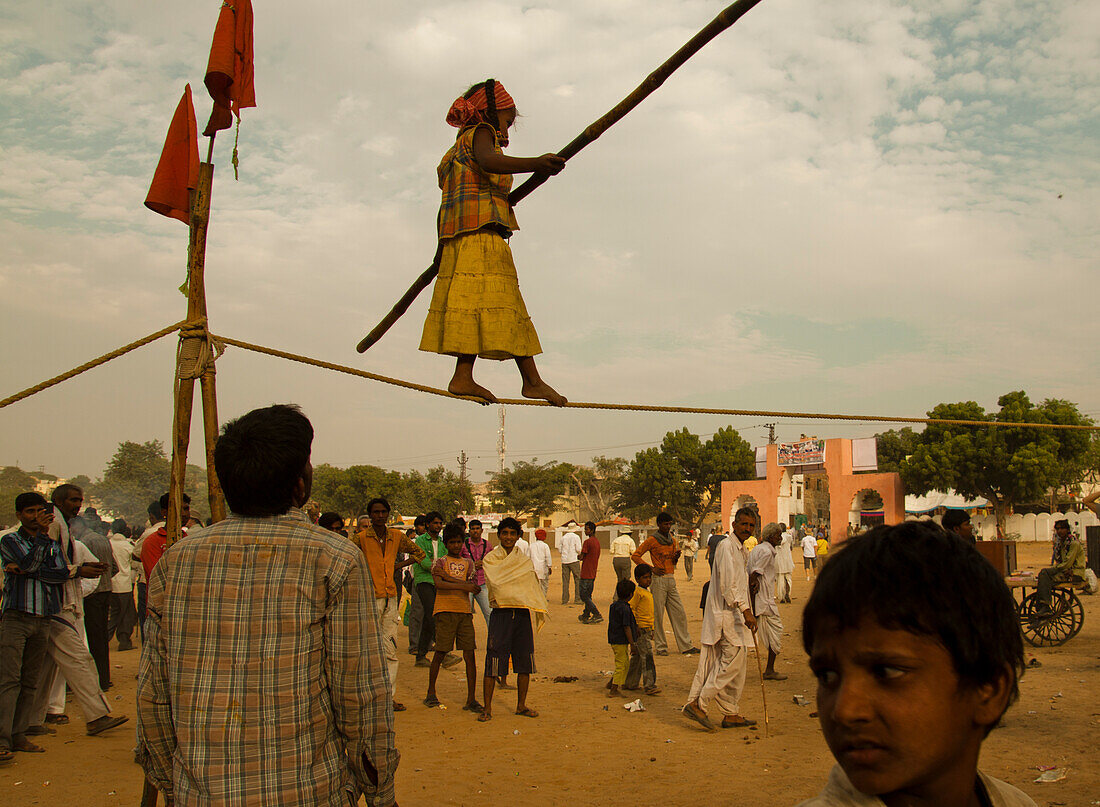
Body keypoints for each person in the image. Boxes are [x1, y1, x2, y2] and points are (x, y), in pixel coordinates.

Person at [136, 404, 398, 807]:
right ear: (299, 485)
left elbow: (154, 693)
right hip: (307, 790)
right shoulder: (335, 557)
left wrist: (173, 785)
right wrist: (379, 791)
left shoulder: (177, 560)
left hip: (200, 791)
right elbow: (359, 693)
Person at [795, 521, 1033, 807]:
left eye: (888, 672)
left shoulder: (1016, 802)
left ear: (989, 689)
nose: (844, 711)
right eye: (827, 676)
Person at [419, 78, 567, 406]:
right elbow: (489, 162)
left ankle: (463, 376)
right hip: (482, 236)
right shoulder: (481, 133)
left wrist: (440, 252)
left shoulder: (455, 151)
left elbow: (455, 200)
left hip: (458, 240)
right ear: (491, 112)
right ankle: (532, 381)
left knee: (474, 307)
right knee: (506, 305)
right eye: (507, 120)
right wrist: (534, 164)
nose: (507, 130)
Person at [30, 483, 126, 738]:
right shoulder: (52, 522)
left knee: (47, 668)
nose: (78, 505)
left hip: (57, 603)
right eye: (74, 500)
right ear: (59, 500)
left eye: (80, 501)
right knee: (79, 659)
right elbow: (44, 564)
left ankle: (31, 720)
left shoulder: (62, 524)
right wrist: (78, 570)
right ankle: (96, 715)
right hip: (53, 605)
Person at [0, 493, 71, 761]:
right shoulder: (10, 540)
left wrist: (29, 569)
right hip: (16, 618)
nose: (35, 516)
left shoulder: (51, 543)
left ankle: (18, 735)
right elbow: (31, 564)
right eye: (29, 512)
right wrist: (38, 549)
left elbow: (61, 574)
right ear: (19, 515)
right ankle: (3, 738)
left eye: (39, 511)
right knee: (8, 681)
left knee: (30, 681)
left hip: (43, 619)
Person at [683, 505, 757, 732]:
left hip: (735, 616)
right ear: (734, 525)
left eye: (751, 525)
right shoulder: (726, 547)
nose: (747, 528)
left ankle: (730, 713)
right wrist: (745, 610)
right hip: (728, 615)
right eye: (743, 524)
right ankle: (699, 704)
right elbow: (727, 586)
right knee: (730, 664)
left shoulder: (741, 549)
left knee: (736, 665)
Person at [353, 498, 426, 713]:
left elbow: (418, 554)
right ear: (370, 514)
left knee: (390, 649)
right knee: (367, 650)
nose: (380, 516)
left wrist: (398, 565)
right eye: (376, 512)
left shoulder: (396, 537)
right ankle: (367, 696)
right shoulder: (360, 539)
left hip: (391, 598)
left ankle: (388, 696)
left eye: (384, 512)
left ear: (388, 514)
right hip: (368, 598)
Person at [478, 517, 547, 723]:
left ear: (519, 536)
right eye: (505, 533)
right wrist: (515, 590)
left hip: (522, 614)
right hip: (501, 614)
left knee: (524, 661)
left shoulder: (523, 561)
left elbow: (529, 587)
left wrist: (517, 592)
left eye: (512, 533)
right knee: (493, 660)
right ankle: (487, 708)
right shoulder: (491, 559)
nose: (508, 537)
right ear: (499, 535)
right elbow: (496, 585)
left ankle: (521, 705)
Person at [425, 523, 482, 713]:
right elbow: (439, 585)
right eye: (452, 542)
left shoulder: (469, 563)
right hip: (445, 610)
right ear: (446, 543)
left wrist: (453, 581)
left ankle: (471, 698)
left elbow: (471, 586)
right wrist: (463, 586)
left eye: (458, 542)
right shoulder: (439, 562)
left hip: (464, 611)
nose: (456, 546)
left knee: (469, 654)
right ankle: (431, 693)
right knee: (441, 652)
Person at [630, 513, 698, 656]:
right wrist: (650, 568)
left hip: (670, 578)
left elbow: (673, 561)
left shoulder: (672, 540)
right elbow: (635, 555)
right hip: (658, 579)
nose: (668, 527)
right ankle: (661, 647)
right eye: (665, 524)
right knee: (658, 614)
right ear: (659, 524)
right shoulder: (652, 540)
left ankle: (685, 645)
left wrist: (675, 558)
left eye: (669, 524)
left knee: (679, 613)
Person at [70, 515, 116, 690]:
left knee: (91, 639)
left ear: (78, 526)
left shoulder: (82, 543)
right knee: (101, 638)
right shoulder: (103, 539)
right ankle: (105, 678)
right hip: (106, 591)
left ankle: (98, 681)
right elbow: (114, 567)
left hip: (91, 595)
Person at [748, 522, 787, 681]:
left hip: (759, 601)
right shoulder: (766, 553)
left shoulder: (759, 548)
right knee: (776, 632)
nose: (780, 537)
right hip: (764, 601)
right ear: (771, 537)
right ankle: (769, 670)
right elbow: (754, 575)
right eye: (778, 535)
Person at [413, 512, 446, 668]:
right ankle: (443, 651)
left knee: (428, 617)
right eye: (435, 523)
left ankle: (420, 655)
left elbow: (444, 562)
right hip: (423, 581)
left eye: (440, 523)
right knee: (433, 614)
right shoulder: (419, 541)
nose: (438, 526)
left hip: (437, 582)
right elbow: (424, 562)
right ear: (427, 525)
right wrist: (437, 565)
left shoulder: (442, 542)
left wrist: (437, 565)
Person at [624, 564, 659, 696]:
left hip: (647, 629)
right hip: (640, 630)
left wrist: (653, 629)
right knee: (647, 657)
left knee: (638, 657)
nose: (648, 580)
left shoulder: (647, 592)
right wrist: (636, 626)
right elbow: (631, 609)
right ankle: (650, 685)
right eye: (645, 578)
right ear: (638, 579)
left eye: (649, 577)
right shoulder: (637, 593)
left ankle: (630, 683)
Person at [1035, 520, 1086, 609]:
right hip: (1066, 570)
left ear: (1067, 530)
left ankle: (1044, 606)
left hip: (1075, 573)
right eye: (1057, 529)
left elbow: (1067, 563)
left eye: (1062, 528)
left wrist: (1054, 569)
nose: (1059, 531)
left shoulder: (1073, 543)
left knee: (1044, 574)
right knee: (1044, 576)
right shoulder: (1061, 543)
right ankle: (1043, 603)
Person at [106, 519, 137, 651]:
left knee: (114, 613)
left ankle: (104, 637)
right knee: (126, 614)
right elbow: (134, 563)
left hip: (111, 583)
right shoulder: (128, 545)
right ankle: (124, 641)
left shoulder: (108, 544)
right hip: (124, 585)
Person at [606, 579, 638, 698]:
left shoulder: (614, 605)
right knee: (622, 664)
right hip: (620, 640)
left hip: (614, 638)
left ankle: (611, 683)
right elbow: (626, 627)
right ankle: (614, 689)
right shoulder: (625, 609)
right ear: (630, 595)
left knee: (622, 662)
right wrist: (632, 644)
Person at [462, 518, 494, 624]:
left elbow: (492, 562)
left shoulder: (487, 545)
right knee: (466, 614)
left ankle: (493, 639)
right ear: (469, 531)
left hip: (482, 583)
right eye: (473, 529)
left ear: (481, 530)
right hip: (467, 584)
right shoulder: (464, 545)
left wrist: (483, 563)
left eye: (477, 528)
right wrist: (471, 565)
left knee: (489, 613)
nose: (475, 531)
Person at [406, 514, 429, 655]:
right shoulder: (414, 542)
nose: (423, 528)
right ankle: (414, 645)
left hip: (432, 580)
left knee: (429, 613)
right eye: (420, 525)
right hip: (418, 580)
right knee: (417, 613)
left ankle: (426, 643)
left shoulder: (436, 541)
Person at [578, 521, 603, 624]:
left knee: (584, 595)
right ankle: (586, 614)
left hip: (586, 572)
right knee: (588, 594)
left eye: (587, 529)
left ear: (592, 530)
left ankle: (596, 614)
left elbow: (582, 556)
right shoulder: (597, 542)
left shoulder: (587, 542)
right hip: (593, 571)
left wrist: (578, 556)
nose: (585, 531)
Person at [558, 528, 582, 605]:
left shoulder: (563, 537)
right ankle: (577, 598)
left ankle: (565, 599)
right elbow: (578, 549)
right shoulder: (576, 537)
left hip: (564, 561)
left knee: (565, 581)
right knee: (577, 579)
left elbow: (560, 550)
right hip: (574, 559)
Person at [529, 528, 552, 597]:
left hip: (534, 568)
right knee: (544, 585)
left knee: (535, 585)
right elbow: (548, 557)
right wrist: (549, 567)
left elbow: (528, 557)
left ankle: (536, 599)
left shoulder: (531, 546)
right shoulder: (545, 546)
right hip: (543, 568)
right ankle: (543, 598)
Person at [775, 523, 795, 604]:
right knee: (788, 579)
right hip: (787, 561)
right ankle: (787, 594)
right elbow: (791, 547)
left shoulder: (776, 538)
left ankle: (782, 597)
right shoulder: (789, 537)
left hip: (779, 561)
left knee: (780, 580)